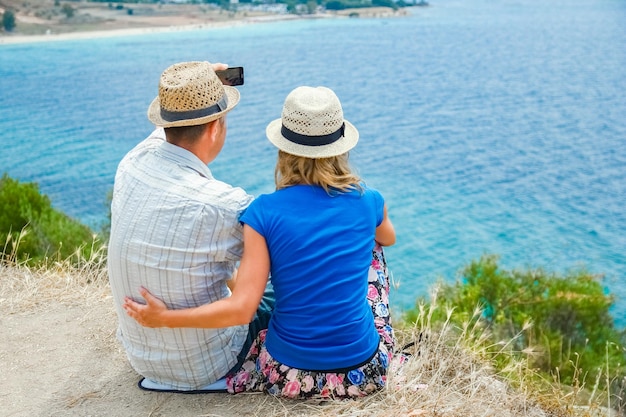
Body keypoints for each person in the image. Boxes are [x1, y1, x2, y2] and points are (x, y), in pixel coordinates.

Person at [123, 86, 400, 399]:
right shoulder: (370, 199)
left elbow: (243, 309)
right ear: (341, 147)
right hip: (362, 371)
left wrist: (163, 319)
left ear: (284, 149)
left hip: (289, 375)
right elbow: (387, 239)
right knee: (372, 249)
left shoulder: (263, 211)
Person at [107, 61, 273, 393]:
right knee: (277, 290)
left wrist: (195, 82)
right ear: (215, 128)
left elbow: (171, 128)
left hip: (142, 357)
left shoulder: (131, 164)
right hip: (208, 364)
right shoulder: (226, 205)